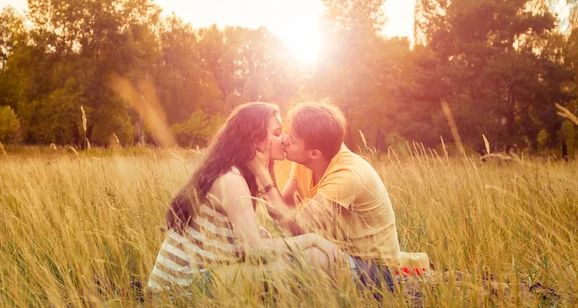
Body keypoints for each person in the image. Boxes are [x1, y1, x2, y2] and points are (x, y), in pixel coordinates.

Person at [147, 102, 340, 292]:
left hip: (201, 277)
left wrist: (265, 171)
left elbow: (255, 237)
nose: (283, 139)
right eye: (276, 133)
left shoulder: (241, 175)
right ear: (254, 140)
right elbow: (254, 249)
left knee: (307, 257)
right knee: (315, 258)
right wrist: (313, 239)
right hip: (183, 290)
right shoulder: (231, 180)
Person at [250, 102, 430, 292]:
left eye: (292, 139)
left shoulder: (347, 175)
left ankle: (256, 284)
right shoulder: (306, 161)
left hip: (375, 270)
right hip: (339, 255)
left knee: (312, 256)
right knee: (281, 248)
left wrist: (262, 173)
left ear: (314, 153)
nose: (284, 140)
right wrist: (269, 167)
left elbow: (296, 230)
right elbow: (284, 208)